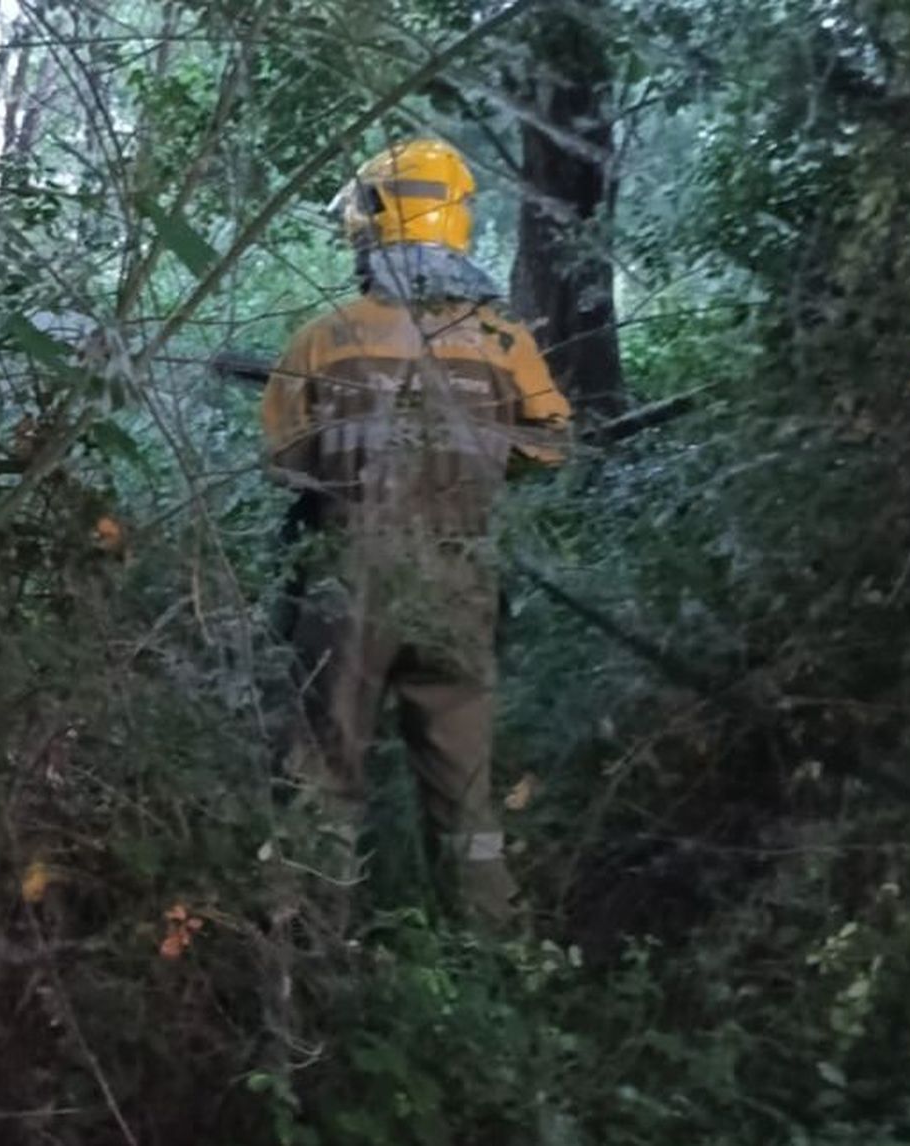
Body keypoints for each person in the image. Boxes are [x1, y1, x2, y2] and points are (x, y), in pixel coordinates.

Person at [261, 138, 572, 927]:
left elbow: (286, 463)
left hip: (348, 587)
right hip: (461, 585)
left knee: (321, 776)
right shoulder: (506, 342)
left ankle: (308, 957)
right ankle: (490, 954)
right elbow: (548, 448)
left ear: (371, 221)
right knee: (466, 792)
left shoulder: (326, 337)